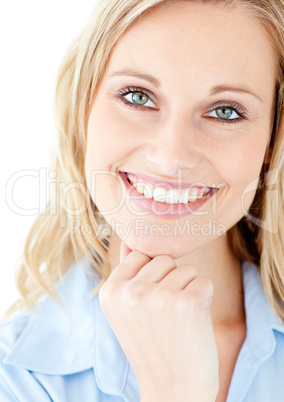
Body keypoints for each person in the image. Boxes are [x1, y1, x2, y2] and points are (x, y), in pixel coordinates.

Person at [1, 0, 284, 400]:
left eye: (224, 111)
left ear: (273, 138)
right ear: (83, 107)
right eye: (137, 96)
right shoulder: (14, 381)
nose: (171, 158)